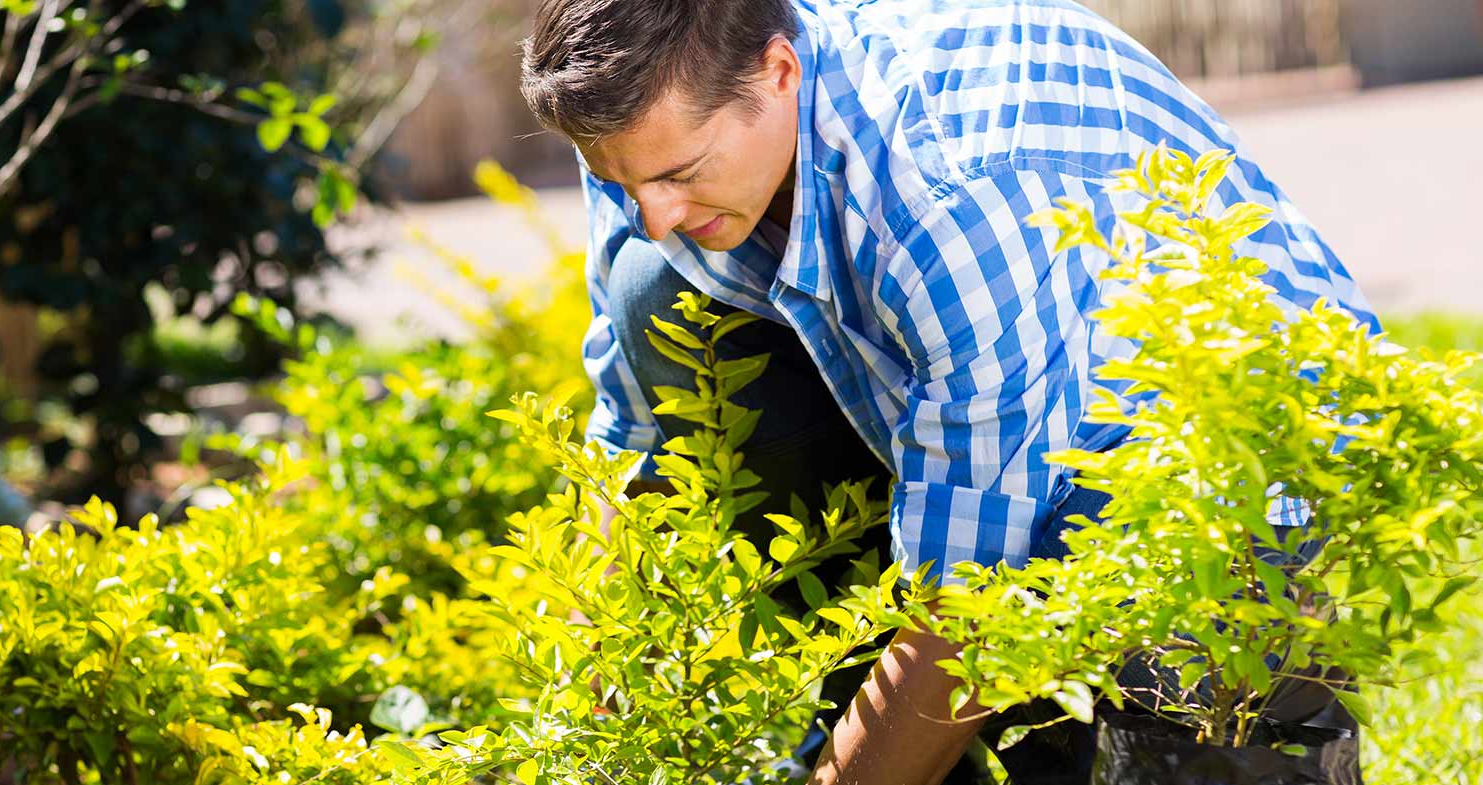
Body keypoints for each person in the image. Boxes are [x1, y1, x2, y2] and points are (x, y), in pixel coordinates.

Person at [516, 1, 1377, 783]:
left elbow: (969, 604)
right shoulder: (645, 122)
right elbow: (628, 435)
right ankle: (863, 704)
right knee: (650, 283)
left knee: (1176, 742)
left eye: (677, 176)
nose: (654, 211)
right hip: (986, 421)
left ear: (779, 73)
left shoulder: (947, 193)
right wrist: (602, 680)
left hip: (1213, 455)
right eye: (624, 181)